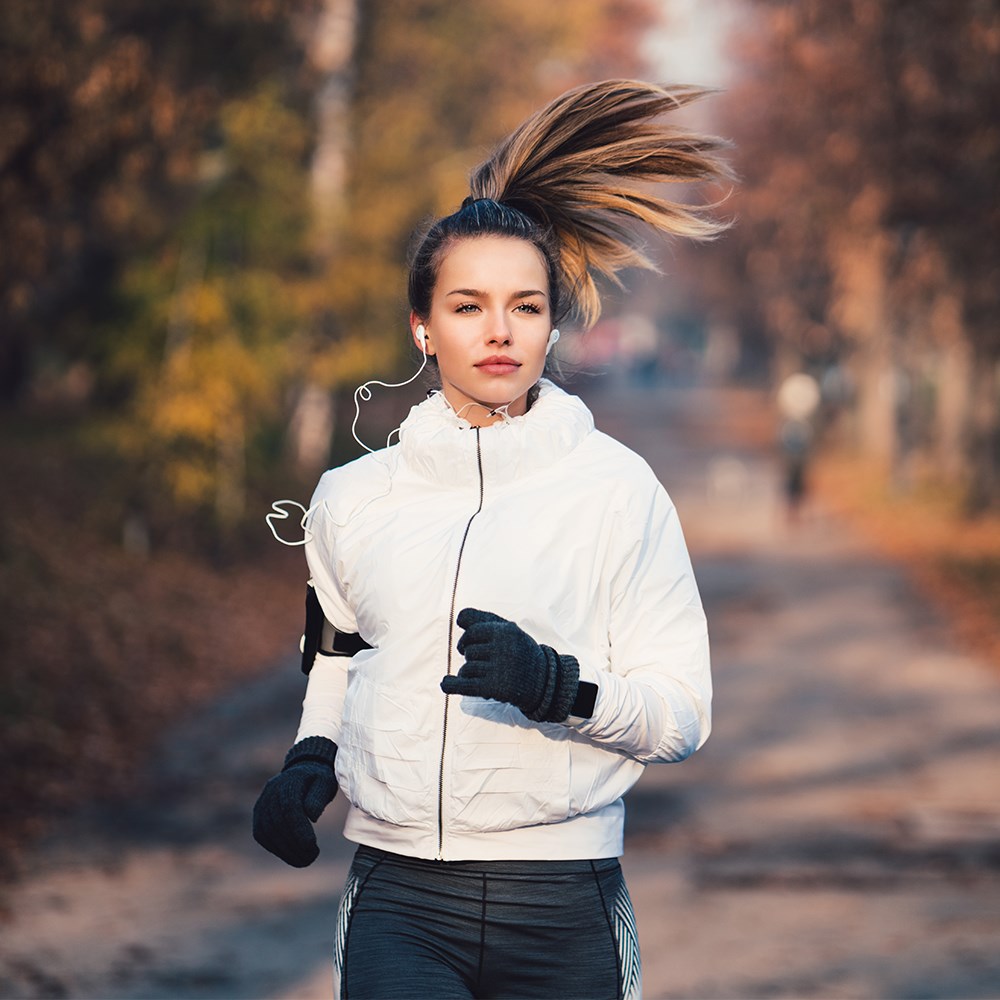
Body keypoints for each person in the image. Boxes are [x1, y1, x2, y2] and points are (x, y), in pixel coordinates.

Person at [253, 80, 728, 1000]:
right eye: (468, 307)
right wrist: (311, 757)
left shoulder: (618, 492)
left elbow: (683, 714)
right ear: (422, 329)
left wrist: (559, 686)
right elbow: (339, 653)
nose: (499, 332)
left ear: (554, 324)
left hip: (566, 904)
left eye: (526, 306)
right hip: (399, 900)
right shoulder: (352, 498)